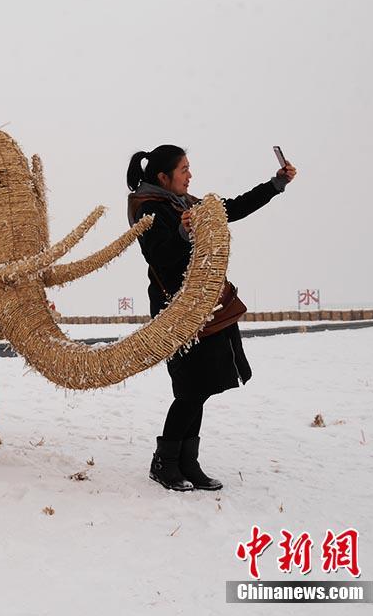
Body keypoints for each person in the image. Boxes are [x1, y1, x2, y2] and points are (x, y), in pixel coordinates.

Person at [126, 145, 297, 491]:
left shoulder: (186, 204)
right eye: (184, 169)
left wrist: (275, 184)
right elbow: (160, 258)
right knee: (190, 389)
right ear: (163, 177)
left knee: (200, 388)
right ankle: (164, 463)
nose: (190, 175)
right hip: (176, 311)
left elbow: (230, 209)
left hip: (205, 308)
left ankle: (187, 462)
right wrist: (183, 233)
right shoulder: (146, 208)